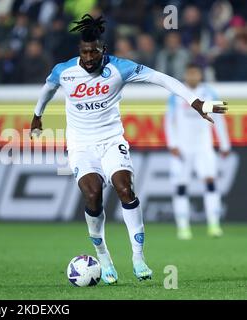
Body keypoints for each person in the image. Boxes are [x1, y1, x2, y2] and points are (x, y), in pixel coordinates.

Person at [30, 14, 228, 285]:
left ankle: (138, 256)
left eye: (94, 52)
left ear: (104, 50)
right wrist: (37, 115)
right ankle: (103, 255)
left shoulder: (119, 68)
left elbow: (161, 78)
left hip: (112, 140)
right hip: (81, 144)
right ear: (80, 51)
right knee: (92, 195)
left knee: (125, 189)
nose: (89, 58)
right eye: (84, 52)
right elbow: (47, 89)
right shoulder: (64, 71)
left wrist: (196, 102)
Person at [165, 63, 231, 240]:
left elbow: (220, 119)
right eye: (190, 73)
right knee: (181, 186)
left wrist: (225, 144)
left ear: (200, 75)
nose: (193, 77)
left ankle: (214, 225)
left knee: (210, 183)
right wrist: (172, 144)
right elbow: (169, 121)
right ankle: (183, 228)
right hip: (182, 148)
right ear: (186, 75)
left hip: (204, 147)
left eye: (196, 73)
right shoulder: (177, 95)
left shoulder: (209, 93)